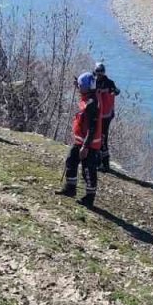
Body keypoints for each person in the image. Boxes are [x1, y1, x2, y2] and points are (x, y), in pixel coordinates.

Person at [56, 72, 104, 207]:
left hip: (89, 144)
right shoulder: (89, 96)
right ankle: (70, 189)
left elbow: (93, 128)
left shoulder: (92, 104)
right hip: (80, 141)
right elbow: (83, 93)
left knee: (88, 170)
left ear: (88, 87)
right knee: (71, 160)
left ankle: (89, 198)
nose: (79, 88)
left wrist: (86, 147)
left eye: (81, 86)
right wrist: (78, 83)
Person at [93, 63, 121, 172]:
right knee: (97, 138)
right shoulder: (100, 81)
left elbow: (116, 91)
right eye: (97, 73)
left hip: (105, 116)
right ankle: (98, 162)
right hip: (100, 114)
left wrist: (110, 91)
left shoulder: (108, 83)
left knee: (102, 139)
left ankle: (104, 164)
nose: (98, 75)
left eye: (100, 72)